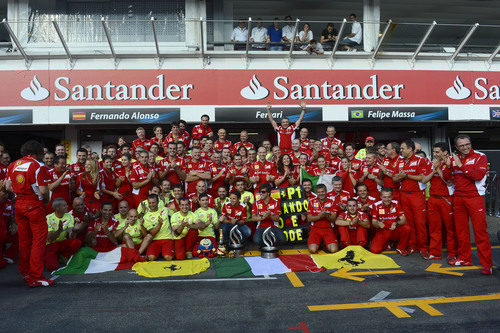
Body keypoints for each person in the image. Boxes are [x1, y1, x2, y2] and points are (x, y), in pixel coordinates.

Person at [443, 135, 492, 275]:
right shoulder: (455, 158)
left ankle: (487, 264)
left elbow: (477, 176)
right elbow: (447, 178)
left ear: (470, 144)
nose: (465, 147)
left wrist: (460, 165)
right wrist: (447, 166)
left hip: (475, 197)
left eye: (467, 144)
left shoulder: (480, 156)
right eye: (461, 146)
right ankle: (465, 258)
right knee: (461, 232)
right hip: (458, 197)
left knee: (480, 232)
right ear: (457, 147)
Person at [6, 140, 52, 286]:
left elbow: (7, 186)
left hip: (19, 204)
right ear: (38, 152)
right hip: (33, 205)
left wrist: (21, 193)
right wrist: (45, 200)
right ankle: (36, 276)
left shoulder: (13, 164)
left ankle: (26, 273)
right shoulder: (39, 166)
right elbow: (44, 191)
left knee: (24, 241)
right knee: (38, 241)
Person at [393, 140, 429, 256]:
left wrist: (407, 176)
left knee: (420, 222)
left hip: (417, 195)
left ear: (410, 149)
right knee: (409, 223)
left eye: (403, 148)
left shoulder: (420, 160)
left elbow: (423, 177)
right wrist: (398, 177)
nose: (401, 150)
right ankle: (412, 245)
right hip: (403, 194)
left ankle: (423, 247)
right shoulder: (400, 161)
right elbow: (395, 178)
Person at [421, 142, 456, 261]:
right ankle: (435, 252)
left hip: (446, 199)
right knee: (434, 228)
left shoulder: (450, 163)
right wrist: (433, 170)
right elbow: (424, 180)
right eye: (434, 152)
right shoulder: (431, 163)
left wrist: (438, 169)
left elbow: (449, 182)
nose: (435, 154)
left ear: (445, 152)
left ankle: (452, 253)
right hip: (433, 199)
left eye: (437, 152)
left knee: (450, 228)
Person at [370, 188, 411, 255]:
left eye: (389, 197)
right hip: (383, 230)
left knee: (406, 228)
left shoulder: (396, 203)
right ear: (380, 197)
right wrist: (378, 224)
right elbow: (373, 222)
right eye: (384, 197)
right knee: (374, 250)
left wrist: (396, 223)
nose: (387, 199)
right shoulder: (376, 205)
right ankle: (387, 243)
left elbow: (404, 220)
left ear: (392, 197)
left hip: (394, 230)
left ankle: (401, 248)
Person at [44, 198, 81, 271]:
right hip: (51, 244)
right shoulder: (49, 218)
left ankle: (63, 255)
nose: (67, 206)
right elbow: (50, 239)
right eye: (64, 205)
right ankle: (56, 256)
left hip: (62, 242)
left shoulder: (69, 216)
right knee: (51, 267)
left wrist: (73, 231)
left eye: (66, 205)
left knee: (77, 242)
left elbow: (71, 235)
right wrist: (59, 231)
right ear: (57, 208)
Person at [307, 184, 338, 253]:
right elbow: (309, 218)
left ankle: (323, 243)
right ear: (316, 193)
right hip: (315, 229)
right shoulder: (312, 201)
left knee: (334, 250)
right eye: (319, 192)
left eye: (323, 191)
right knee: (312, 250)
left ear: (326, 191)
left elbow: (334, 219)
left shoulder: (332, 201)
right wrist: (319, 216)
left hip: (328, 228)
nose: (321, 194)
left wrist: (326, 215)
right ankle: (321, 243)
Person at [142, 194, 173, 261]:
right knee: (151, 258)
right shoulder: (146, 217)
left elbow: (176, 215)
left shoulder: (165, 209)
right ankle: (159, 252)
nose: (151, 204)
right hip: (155, 240)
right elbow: (152, 232)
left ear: (158, 202)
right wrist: (160, 224)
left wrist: (175, 208)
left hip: (167, 238)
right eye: (150, 203)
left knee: (168, 258)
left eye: (153, 202)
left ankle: (164, 252)